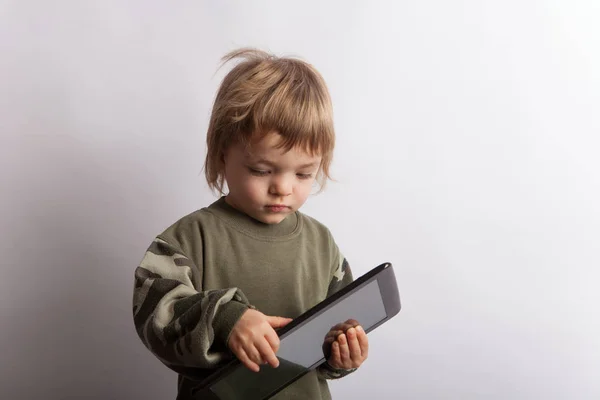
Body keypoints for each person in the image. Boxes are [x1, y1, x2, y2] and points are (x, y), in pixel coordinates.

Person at [132, 48, 368, 399]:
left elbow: (334, 331)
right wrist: (227, 320)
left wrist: (342, 354)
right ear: (222, 152)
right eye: (261, 170)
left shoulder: (322, 244)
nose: (283, 188)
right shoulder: (188, 238)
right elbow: (156, 321)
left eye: (304, 173)